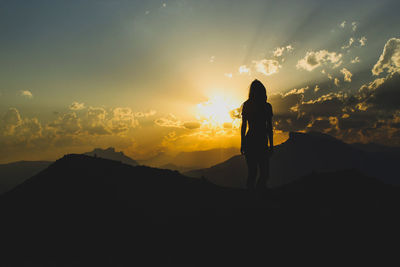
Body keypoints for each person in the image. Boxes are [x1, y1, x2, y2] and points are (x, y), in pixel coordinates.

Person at [240, 79, 274, 191]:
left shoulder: (247, 105)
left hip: (251, 141)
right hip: (262, 142)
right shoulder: (267, 106)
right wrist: (271, 145)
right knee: (264, 174)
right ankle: (259, 195)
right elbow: (269, 127)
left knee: (253, 173)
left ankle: (252, 197)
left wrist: (243, 143)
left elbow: (244, 126)